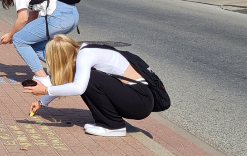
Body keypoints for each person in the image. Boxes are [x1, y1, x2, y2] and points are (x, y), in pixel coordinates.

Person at [24, 35, 153, 137]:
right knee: (86, 79)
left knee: (90, 80)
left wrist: (46, 89)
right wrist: (42, 102)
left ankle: (113, 126)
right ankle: (106, 122)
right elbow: (65, 81)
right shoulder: (81, 51)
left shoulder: (85, 56)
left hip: (140, 101)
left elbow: (78, 87)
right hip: (137, 98)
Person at [0, 0, 79, 87]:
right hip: (71, 15)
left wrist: (12, 35)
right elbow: (32, 17)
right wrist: (22, 34)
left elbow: (22, 18)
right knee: (31, 42)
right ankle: (70, 67)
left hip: (58, 16)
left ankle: (42, 78)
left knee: (19, 40)